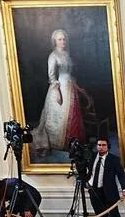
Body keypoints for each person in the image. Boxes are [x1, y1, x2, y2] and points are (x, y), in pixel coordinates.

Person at [31, 28, 86, 158]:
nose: (63, 41)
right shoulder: (53, 56)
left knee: (73, 115)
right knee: (59, 117)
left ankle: (73, 141)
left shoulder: (67, 54)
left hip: (70, 87)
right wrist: (57, 92)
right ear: (55, 41)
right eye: (60, 39)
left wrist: (78, 87)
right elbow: (52, 76)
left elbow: (70, 74)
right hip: (60, 88)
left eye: (64, 39)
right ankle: (61, 143)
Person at [87, 138, 125, 217]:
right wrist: (87, 182)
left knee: (114, 216)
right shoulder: (92, 157)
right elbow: (89, 171)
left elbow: (121, 175)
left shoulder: (113, 159)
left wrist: (124, 189)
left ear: (108, 147)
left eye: (103, 145)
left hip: (109, 191)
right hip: (95, 191)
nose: (101, 147)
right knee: (101, 216)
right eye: (99, 145)